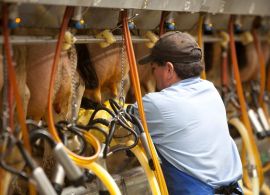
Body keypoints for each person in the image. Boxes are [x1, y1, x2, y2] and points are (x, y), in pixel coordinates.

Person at [132, 31, 243, 194]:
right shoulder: (210, 89)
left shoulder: (156, 105)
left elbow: (119, 120)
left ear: (169, 69)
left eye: (154, 68)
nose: (153, 75)